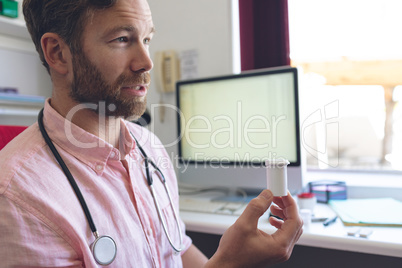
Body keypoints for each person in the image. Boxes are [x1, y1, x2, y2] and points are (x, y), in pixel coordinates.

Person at [0, 0, 303, 267]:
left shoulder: (149, 147)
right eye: (122, 39)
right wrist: (229, 264)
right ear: (58, 53)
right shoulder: (18, 197)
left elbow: (176, 250)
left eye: (146, 39)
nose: (146, 61)